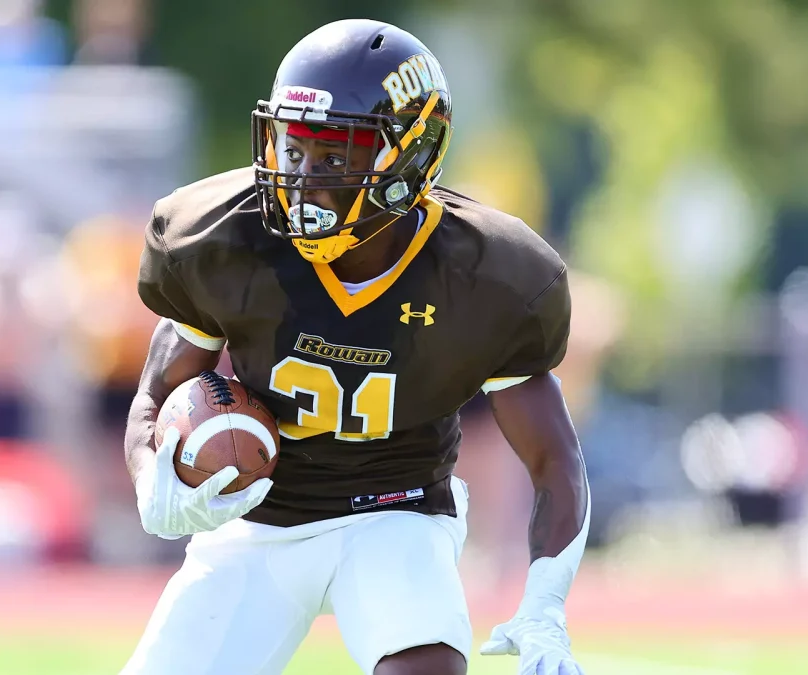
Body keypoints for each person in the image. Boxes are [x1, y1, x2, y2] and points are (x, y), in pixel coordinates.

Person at [122, 19, 590, 675]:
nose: (303, 178)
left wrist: (544, 605)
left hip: (395, 513)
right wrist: (154, 478)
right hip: (258, 520)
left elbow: (553, 457)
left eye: (335, 157)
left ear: (410, 157)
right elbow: (154, 396)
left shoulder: (489, 275)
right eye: (292, 148)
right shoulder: (223, 237)